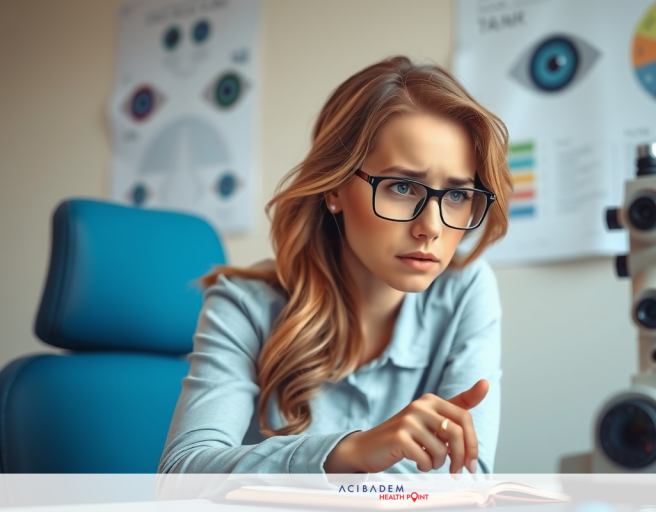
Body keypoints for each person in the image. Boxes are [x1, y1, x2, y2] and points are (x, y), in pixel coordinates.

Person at [158, 56, 513, 475]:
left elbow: (464, 482)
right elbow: (182, 472)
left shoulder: (467, 290)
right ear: (335, 189)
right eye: (401, 186)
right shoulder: (243, 306)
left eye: (457, 195)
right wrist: (349, 453)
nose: (430, 228)